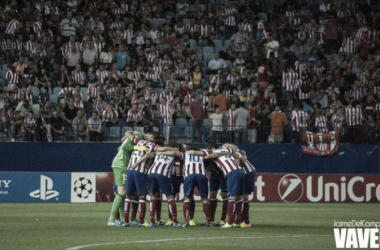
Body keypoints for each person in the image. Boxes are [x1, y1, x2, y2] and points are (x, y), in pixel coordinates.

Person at [122, 131, 178, 227]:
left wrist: (134, 131)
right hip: (139, 170)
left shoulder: (139, 141)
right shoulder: (152, 145)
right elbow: (162, 149)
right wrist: (174, 149)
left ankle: (126, 221)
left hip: (129, 169)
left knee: (128, 195)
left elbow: (127, 134)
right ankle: (141, 221)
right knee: (142, 196)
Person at [106, 130, 148, 227]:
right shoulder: (138, 136)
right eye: (151, 136)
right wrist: (136, 147)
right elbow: (124, 147)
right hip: (122, 165)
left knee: (122, 193)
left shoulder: (134, 137)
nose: (151, 139)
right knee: (122, 192)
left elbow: (119, 148)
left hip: (120, 164)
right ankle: (111, 219)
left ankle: (120, 219)